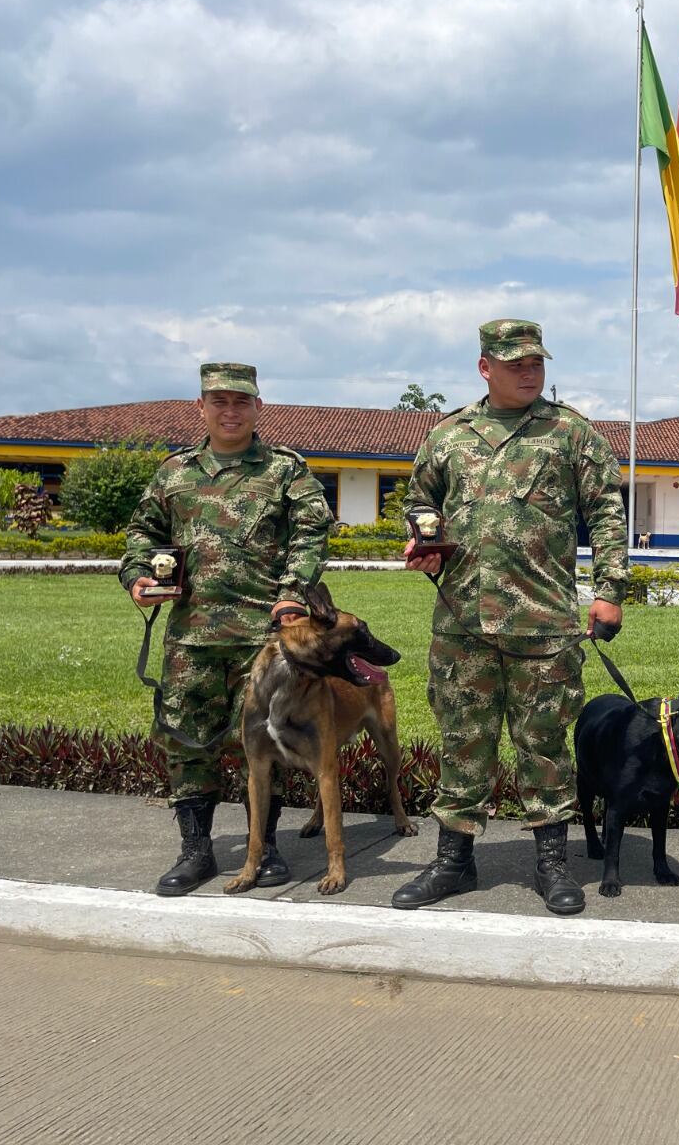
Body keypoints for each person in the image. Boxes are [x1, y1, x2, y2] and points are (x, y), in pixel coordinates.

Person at [389, 319, 629, 916]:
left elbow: (605, 510)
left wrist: (610, 587)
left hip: (543, 623)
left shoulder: (570, 433)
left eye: (536, 362)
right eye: (515, 362)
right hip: (461, 622)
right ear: (484, 366)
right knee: (462, 742)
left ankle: (552, 864)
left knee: (543, 746)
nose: (528, 371)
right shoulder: (448, 437)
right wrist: (421, 542)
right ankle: (453, 861)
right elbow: (420, 503)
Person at [120, 362, 333, 896]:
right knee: (187, 742)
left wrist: (292, 591)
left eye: (241, 402)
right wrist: (138, 577)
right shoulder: (174, 471)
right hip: (190, 637)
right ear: (202, 407)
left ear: (257, 407)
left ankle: (270, 846)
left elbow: (312, 532)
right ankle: (196, 850)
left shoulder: (285, 469)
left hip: (265, 639)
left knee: (267, 742)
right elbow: (142, 533)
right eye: (219, 401)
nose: (230, 411)